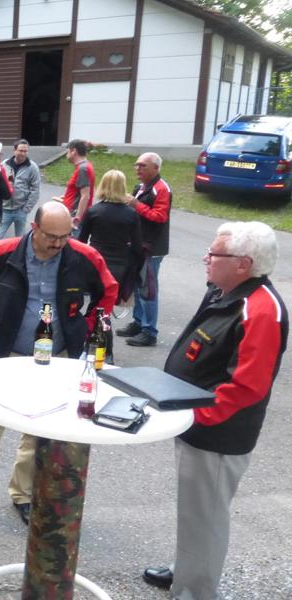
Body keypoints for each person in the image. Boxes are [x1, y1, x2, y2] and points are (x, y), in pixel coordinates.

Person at [0, 201, 117, 527]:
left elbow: (108, 291)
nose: (58, 244)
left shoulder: (84, 256)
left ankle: (22, 495)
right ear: (34, 228)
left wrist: (90, 326)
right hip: (7, 354)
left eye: (65, 236)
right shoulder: (2, 252)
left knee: (39, 428)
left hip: (58, 357)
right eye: (51, 236)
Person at [142, 222, 288, 600]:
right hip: (197, 424)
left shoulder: (261, 309)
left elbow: (245, 387)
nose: (205, 258)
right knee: (194, 511)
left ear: (243, 263)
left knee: (205, 517)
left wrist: (193, 415)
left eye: (215, 254)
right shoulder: (227, 291)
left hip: (218, 434)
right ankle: (186, 572)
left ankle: (196, 591)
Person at [77, 170, 142, 362]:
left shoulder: (94, 211)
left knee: (94, 307)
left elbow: (80, 241)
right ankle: (106, 352)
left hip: (96, 263)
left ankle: (92, 346)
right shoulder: (131, 214)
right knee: (103, 310)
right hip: (119, 266)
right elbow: (138, 247)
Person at [116, 152, 172, 348]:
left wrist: (135, 204)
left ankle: (149, 331)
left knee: (148, 289)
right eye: (136, 165)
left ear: (156, 168)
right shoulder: (142, 187)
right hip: (139, 245)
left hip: (152, 247)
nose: (138, 169)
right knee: (139, 286)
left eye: (143, 166)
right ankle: (139, 322)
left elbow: (159, 217)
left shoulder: (161, 189)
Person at [0, 139, 41, 238]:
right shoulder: (5, 164)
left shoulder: (32, 167)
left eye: (25, 151)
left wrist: (26, 209)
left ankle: (19, 253)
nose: (23, 153)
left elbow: (35, 189)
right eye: (20, 150)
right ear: (14, 150)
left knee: (20, 240)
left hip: (21, 209)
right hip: (5, 209)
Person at [52, 139, 95, 225]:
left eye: (67, 151)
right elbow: (80, 192)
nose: (66, 155)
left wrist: (76, 219)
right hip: (72, 213)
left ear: (73, 151)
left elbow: (85, 196)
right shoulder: (84, 166)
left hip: (73, 217)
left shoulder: (83, 169)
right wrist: (67, 197)